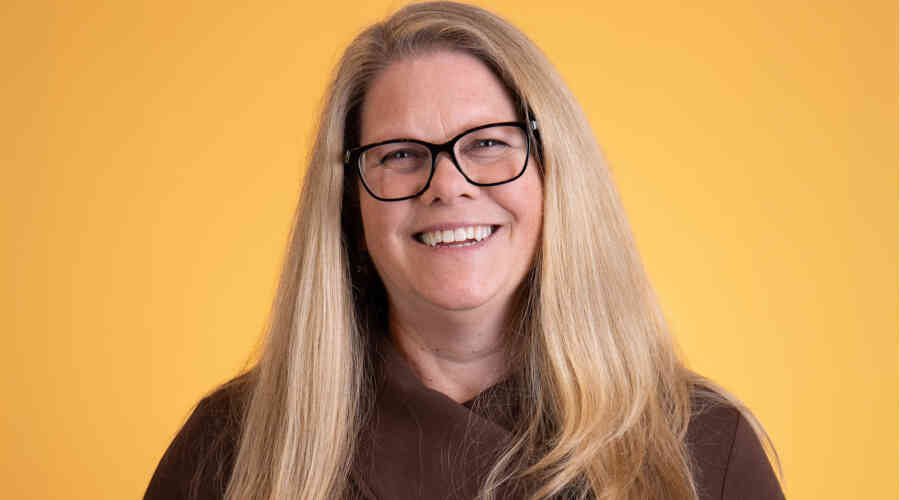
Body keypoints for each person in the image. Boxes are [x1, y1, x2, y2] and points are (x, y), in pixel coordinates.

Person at [144, 2, 785, 499]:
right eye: (399, 155)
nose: (448, 185)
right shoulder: (235, 446)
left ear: (556, 171)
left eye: (487, 144)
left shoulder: (699, 447)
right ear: (349, 202)